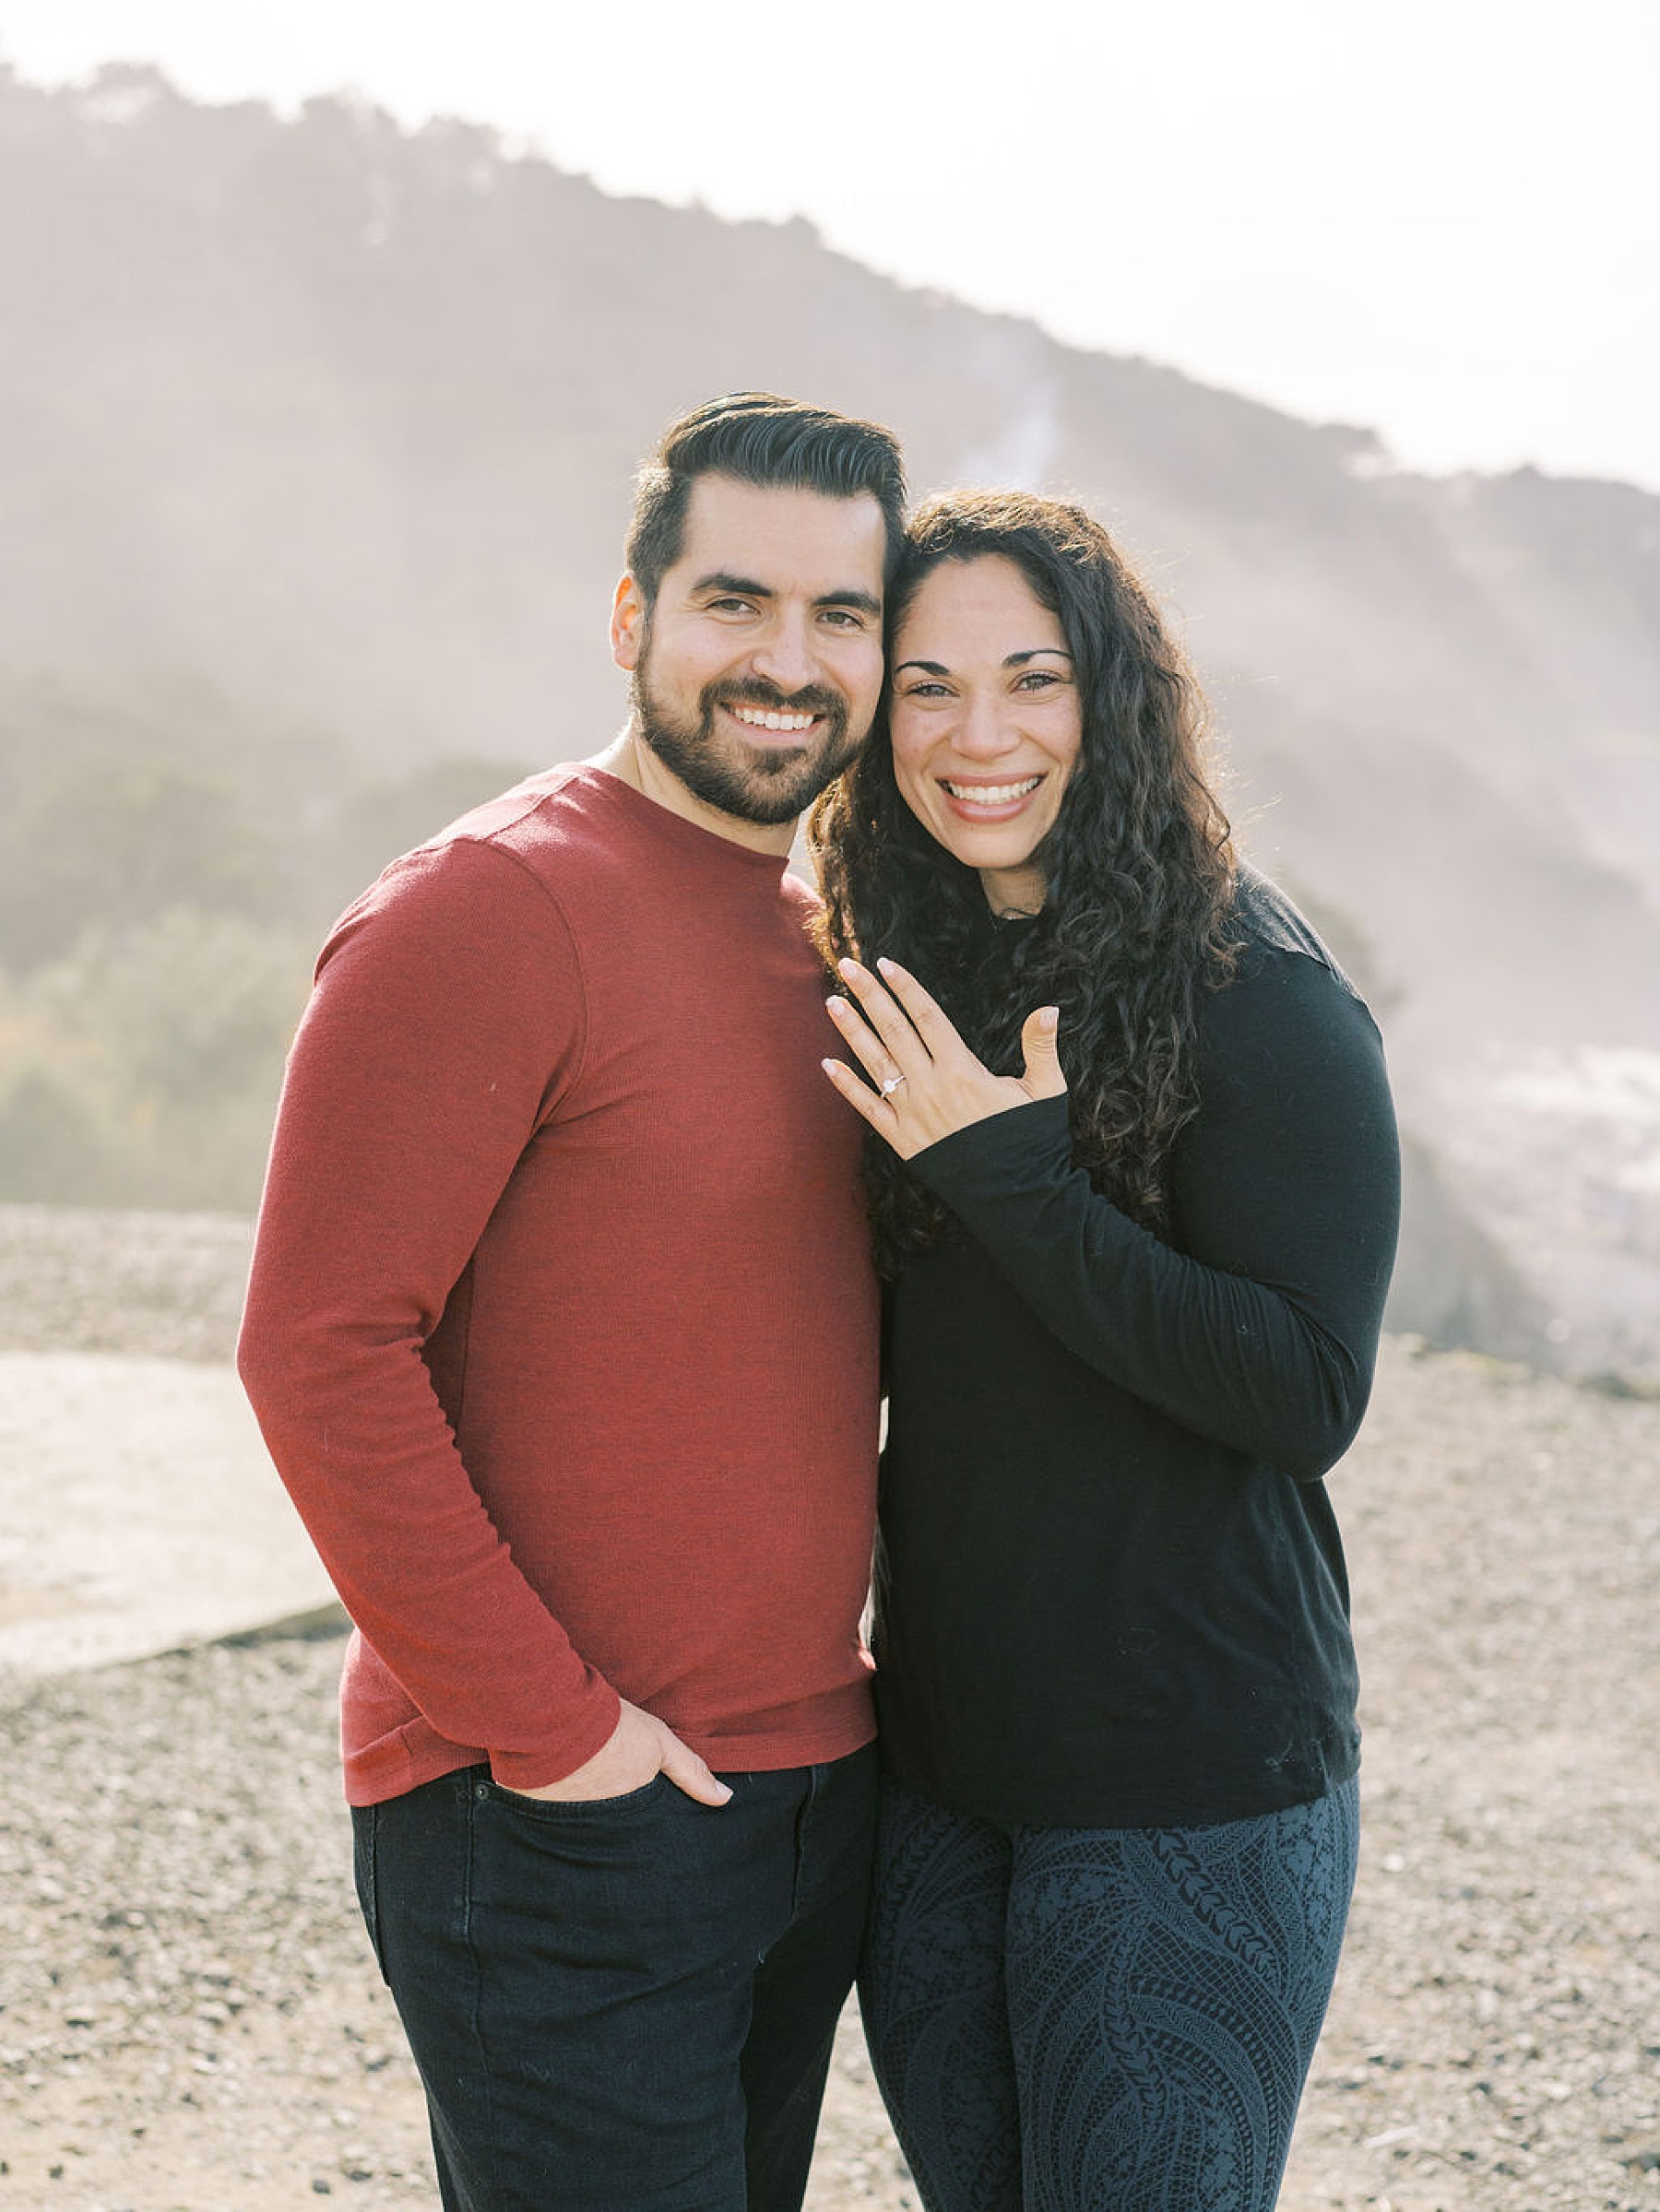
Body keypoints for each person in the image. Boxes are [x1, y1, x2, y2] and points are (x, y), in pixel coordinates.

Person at [236, 392, 907, 2212]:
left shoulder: (821, 931)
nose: (787, 661)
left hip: (805, 1791)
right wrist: (560, 1738)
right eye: (733, 603)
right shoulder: (485, 911)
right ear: (631, 620)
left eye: (841, 616)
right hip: (551, 1816)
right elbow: (317, 1349)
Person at [810, 490, 1401, 2212]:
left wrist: (1017, 1185)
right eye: (924, 686)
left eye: (1030, 679)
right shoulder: (914, 962)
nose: (975, 736)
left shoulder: (1255, 985)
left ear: (1115, 698)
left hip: (1187, 1782)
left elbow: (1307, 1392)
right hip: (939, 1773)